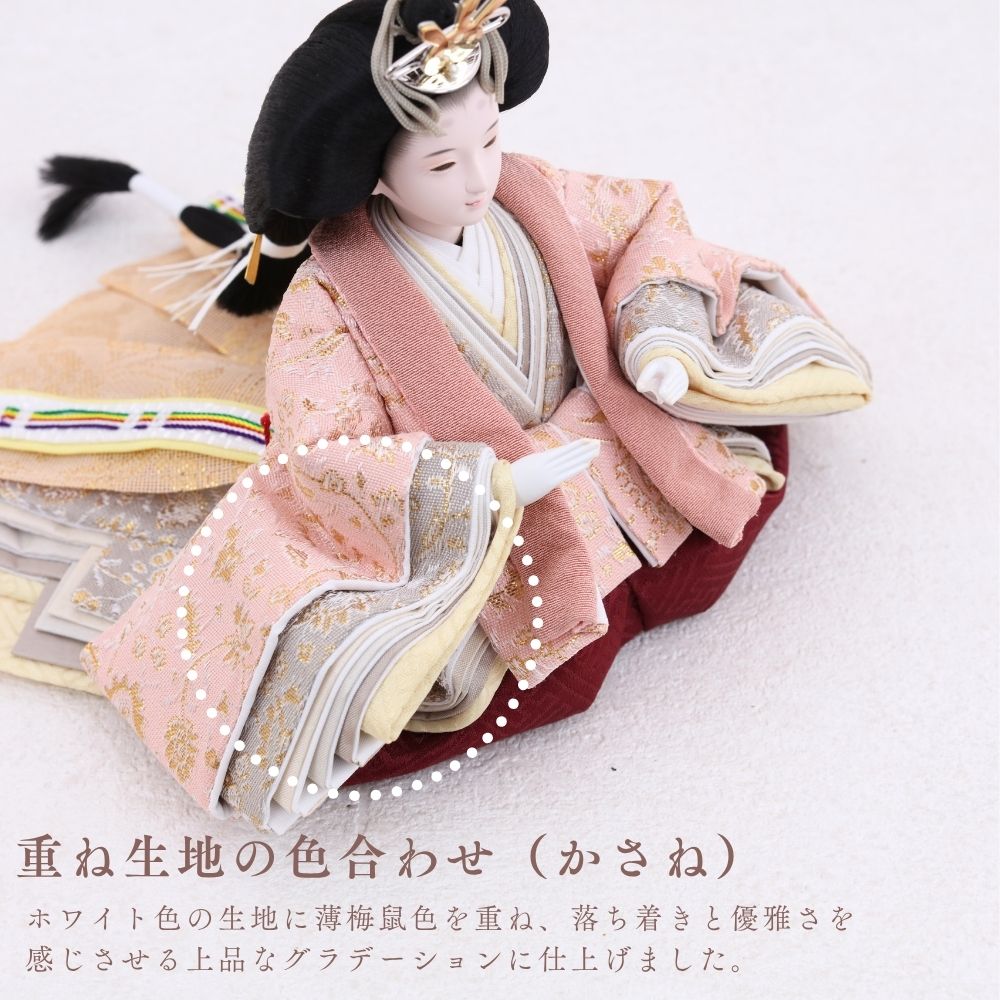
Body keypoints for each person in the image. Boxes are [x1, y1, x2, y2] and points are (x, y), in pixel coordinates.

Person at [48, 0, 868, 832]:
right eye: (442, 163)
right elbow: (323, 449)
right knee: (513, 679)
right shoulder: (328, 299)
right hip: (500, 517)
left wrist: (656, 339)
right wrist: (482, 486)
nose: (479, 179)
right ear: (373, 174)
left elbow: (643, 221)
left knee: (718, 517)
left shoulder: (533, 193)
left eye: (490, 141)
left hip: (617, 444)